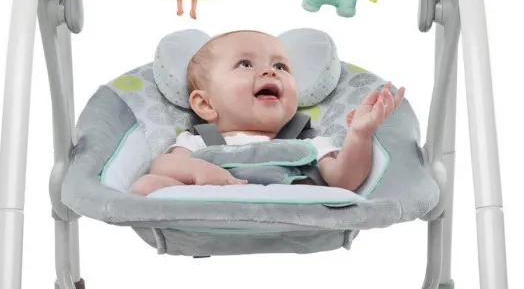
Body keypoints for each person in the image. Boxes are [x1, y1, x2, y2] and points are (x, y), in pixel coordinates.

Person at [131, 30, 404, 195]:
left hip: (288, 215)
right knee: (147, 185)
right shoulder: (198, 142)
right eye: (245, 64)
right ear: (205, 105)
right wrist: (198, 172)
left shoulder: (309, 142)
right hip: (212, 208)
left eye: (281, 67)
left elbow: (344, 182)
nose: (270, 72)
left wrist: (360, 135)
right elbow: (163, 165)